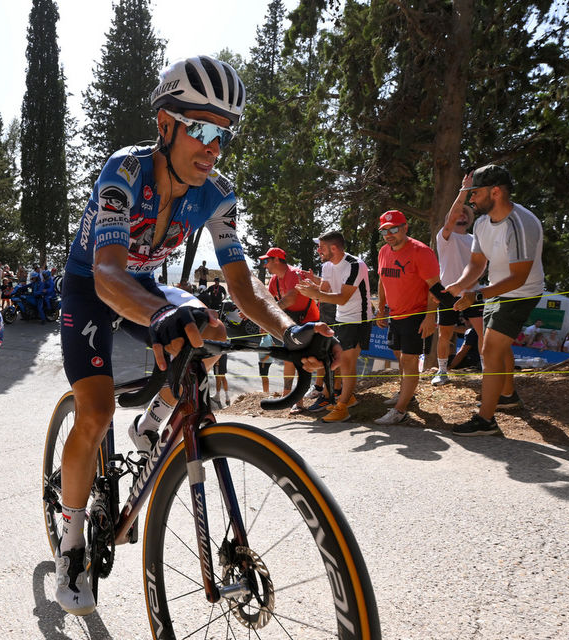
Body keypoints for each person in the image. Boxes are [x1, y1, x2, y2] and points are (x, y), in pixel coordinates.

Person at [54, 55, 338, 616]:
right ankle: (70, 543)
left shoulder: (218, 193)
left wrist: (292, 329)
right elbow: (109, 272)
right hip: (92, 282)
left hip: (139, 281)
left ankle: (154, 422)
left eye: (223, 135)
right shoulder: (125, 172)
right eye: (201, 128)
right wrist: (157, 314)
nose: (212, 146)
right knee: (94, 410)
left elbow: (244, 286)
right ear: (165, 125)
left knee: (209, 328)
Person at [445, 164, 545, 436]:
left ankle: (486, 420)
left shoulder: (521, 223)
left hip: (521, 293)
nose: (472, 199)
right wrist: (459, 284)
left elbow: (519, 278)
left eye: (474, 193)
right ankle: (508, 396)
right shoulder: (481, 224)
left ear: (496, 192)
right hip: (495, 290)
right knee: (497, 345)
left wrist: (475, 295)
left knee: (489, 350)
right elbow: (477, 264)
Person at [297, 231, 374, 423]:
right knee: (338, 361)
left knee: (347, 363)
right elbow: (326, 290)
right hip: (341, 318)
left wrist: (314, 294)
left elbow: (342, 297)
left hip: (358, 319)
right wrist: (313, 288)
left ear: (333, 248)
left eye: (321, 247)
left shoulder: (356, 265)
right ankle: (348, 398)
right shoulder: (327, 266)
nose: (318, 250)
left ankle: (342, 408)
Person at [375, 209, 441, 425]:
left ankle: (400, 410)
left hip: (416, 314)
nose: (389, 234)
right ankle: (406, 393)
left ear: (405, 227)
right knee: (399, 356)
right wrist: (381, 308)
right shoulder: (384, 251)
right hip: (395, 314)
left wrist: (430, 317)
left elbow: (435, 288)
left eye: (394, 228)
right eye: (385, 230)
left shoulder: (421, 252)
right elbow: (382, 280)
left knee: (410, 360)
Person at [431, 174, 485, 385]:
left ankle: (485, 371)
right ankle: (442, 371)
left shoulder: (475, 239)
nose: (460, 214)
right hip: (448, 293)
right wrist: (465, 190)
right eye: (457, 212)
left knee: (482, 332)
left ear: (469, 218)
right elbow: (452, 214)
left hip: (473, 291)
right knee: (445, 334)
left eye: (465, 212)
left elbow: (482, 265)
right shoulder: (444, 237)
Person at [259, 247, 321, 405]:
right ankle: (289, 397)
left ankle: (303, 398)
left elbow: (290, 300)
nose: (265, 265)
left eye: (267, 261)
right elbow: (267, 299)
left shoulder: (294, 274)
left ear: (277, 260)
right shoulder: (275, 279)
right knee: (290, 359)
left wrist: (267, 315)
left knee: (304, 361)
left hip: (308, 323)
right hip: (292, 323)